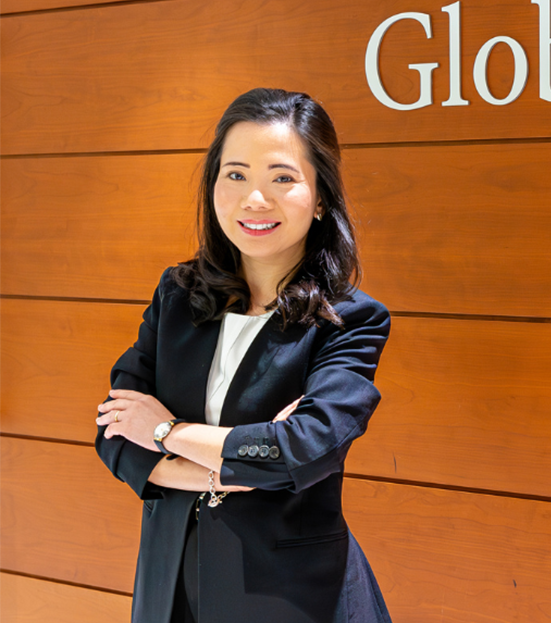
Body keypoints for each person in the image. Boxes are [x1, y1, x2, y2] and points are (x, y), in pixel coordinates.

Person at [95, 88, 393, 623]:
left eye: (282, 178)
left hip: (291, 600)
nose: (255, 199)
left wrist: (166, 434)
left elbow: (301, 451)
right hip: (170, 592)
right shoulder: (177, 297)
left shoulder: (350, 320)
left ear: (321, 196)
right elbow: (116, 433)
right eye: (235, 175)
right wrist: (235, 466)